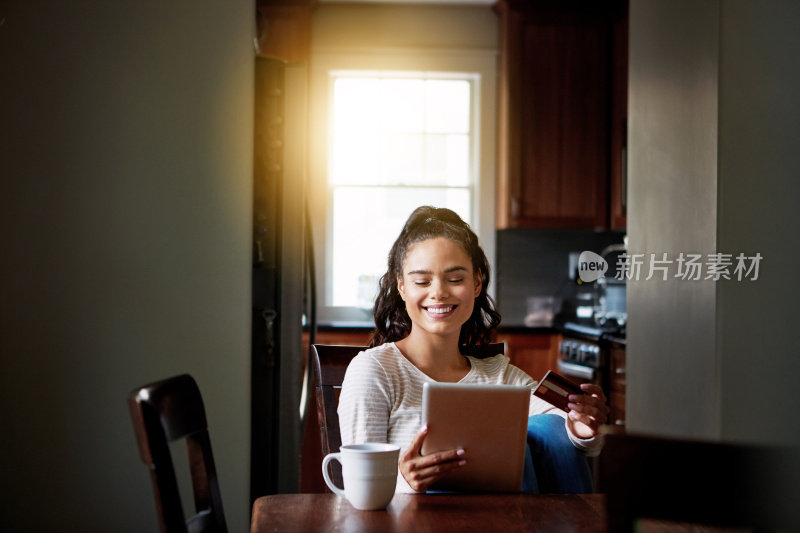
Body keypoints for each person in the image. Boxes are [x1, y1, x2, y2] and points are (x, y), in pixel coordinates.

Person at [338, 206, 609, 494]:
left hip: (505, 520)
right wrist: (406, 481)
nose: (439, 292)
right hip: (414, 522)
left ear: (476, 283)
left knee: (551, 429)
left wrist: (582, 426)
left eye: (455, 279)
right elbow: (356, 490)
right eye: (422, 281)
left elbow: (565, 434)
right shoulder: (375, 370)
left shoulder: (499, 374)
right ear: (402, 287)